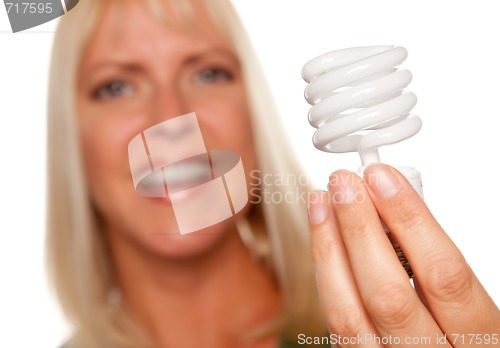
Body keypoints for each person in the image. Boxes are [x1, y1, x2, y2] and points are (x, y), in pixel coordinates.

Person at [45, 0, 499, 347]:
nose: (172, 120)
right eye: (116, 86)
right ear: (71, 135)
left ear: (252, 112)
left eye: (207, 73)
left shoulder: (396, 327)